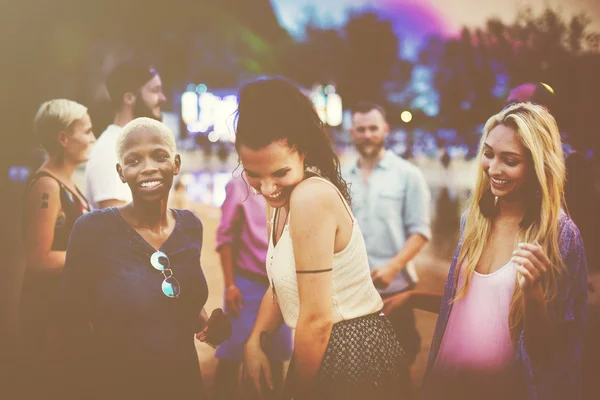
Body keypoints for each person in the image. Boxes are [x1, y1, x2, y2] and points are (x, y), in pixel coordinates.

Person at [384, 103, 588, 400]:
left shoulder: (559, 235)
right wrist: (411, 297)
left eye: (510, 160)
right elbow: (472, 305)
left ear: (537, 165)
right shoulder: (474, 220)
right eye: (488, 153)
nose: (493, 168)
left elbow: (551, 351)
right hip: (445, 384)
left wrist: (532, 293)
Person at [237, 77, 406, 400]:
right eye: (254, 175)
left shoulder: (310, 197)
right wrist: (255, 339)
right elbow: (281, 286)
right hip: (321, 347)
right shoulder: (283, 198)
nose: (267, 188)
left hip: (350, 353)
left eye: (279, 173)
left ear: (302, 151)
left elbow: (316, 319)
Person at [59, 118, 230, 400]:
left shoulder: (190, 226)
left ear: (176, 164)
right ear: (121, 172)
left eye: (159, 156)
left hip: (182, 385)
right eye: (134, 160)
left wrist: (211, 328)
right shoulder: (93, 229)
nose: (148, 167)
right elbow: (70, 323)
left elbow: (181, 308)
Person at [343, 101, 431, 396]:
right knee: (354, 371)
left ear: (385, 130)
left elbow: (420, 231)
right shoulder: (340, 177)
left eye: (373, 128)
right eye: (361, 129)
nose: (367, 134)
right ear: (352, 132)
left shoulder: (408, 175)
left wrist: (393, 266)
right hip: (350, 292)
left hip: (396, 290)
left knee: (399, 366)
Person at [19, 99, 95, 399]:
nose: (92, 138)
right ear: (63, 139)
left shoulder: (66, 182)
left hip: (67, 310)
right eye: (86, 131)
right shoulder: (48, 187)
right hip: (49, 314)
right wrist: (93, 254)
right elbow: (39, 260)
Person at [213, 174, 293, 400]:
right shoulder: (239, 184)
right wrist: (230, 285)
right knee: (232, 354)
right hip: (247, 284)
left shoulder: (290, 181)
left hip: (282, 284)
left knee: (276, 356)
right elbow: (225, 237)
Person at [85, 61, 166, 210]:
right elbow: (116, 226)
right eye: (155, 90)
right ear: (129, 98)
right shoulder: (111, 150)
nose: (162, 98)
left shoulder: (127, 145)